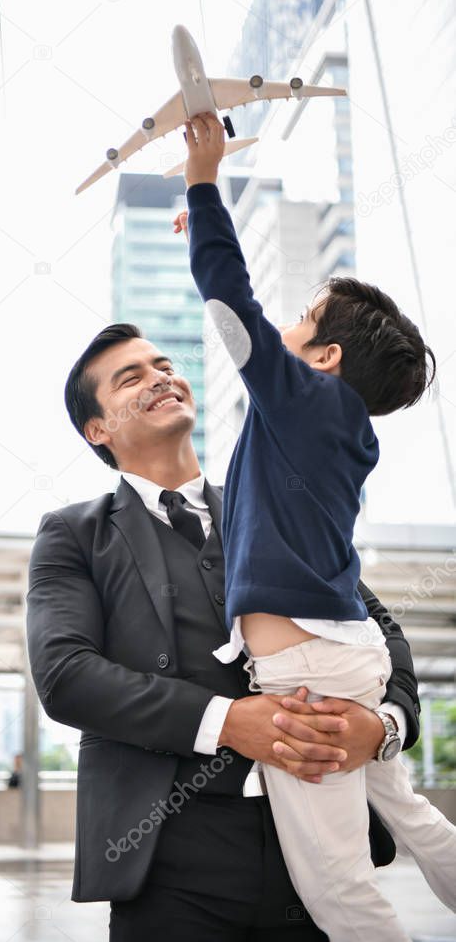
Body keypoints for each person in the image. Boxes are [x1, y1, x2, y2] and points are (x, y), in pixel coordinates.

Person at [27, 321, 421, 939]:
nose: (160, 376)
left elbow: (378, 629)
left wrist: (384, 727)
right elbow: (66, 676)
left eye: (162, 365)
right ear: (97, 430)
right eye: (131, 378)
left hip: (317, 846)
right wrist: (231, 722)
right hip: (170, 861)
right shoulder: (74, 534)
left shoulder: (273, 501)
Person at [176, 110, 456, 941]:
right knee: (410, 819)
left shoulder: (309, 400)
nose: (285, 324)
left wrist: (204, 179)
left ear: (326, 356)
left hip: (311, 668)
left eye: (304, 314)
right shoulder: (331, 424)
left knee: (336, 887)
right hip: (340, 655)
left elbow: (230, 308)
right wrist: (207, 219)